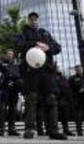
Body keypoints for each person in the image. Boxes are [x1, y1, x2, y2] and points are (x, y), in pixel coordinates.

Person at [16, 12, 67, 140]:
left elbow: (57, 47)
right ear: (27, 21)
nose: (34, 21)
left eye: (36, 19)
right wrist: (35, 44)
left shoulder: (45, 33)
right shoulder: (23, 34)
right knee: (31, 100)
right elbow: (19, 45)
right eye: (31, 19)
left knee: (51, 99)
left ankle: (53, 130)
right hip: (31, 71)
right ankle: (29, 129)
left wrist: (47, 47)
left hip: (47, 71)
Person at [0, 49, 22, 136]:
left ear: (13, 55)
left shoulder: (17, 64)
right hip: (5, 89)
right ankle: (1, 129)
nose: (9, 55)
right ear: (6, 55)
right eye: (8, 54)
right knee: (2, 109)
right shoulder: (1, 64)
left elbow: (20, 76)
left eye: (11, 54)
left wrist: (17, 82)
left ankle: (12, 129)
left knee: (13, 109)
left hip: (14, 90)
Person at [69, 65, 84, 136]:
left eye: (80, 69)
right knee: (78, 117)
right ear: (75, 70)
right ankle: (79, 131)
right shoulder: (72, 78)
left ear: (82, 69)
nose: (79, 70)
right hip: (77, 100)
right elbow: (69, 89)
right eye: (77, 69)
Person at [55, 66, 75, 136]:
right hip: (58, 98)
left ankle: (66, 129)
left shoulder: (62, 77)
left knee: (65, 116)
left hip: (65, 99)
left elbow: (67, 87)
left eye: (58, 68)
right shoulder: (53, 77)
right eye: (57, 68)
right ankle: (55, 129)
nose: (58, 68)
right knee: (56, 115)